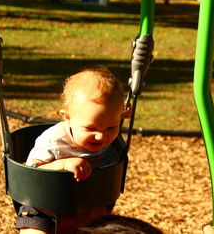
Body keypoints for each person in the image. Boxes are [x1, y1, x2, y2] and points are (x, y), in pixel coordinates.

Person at [16, 68, 131, 234]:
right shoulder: (53, 142)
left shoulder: (106, 125)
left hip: (88, 204)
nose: (100, 136)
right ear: (67, 117)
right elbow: (31, 174)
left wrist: (119, 117)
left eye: (111, 127)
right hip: (45, 208)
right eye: (90, 128)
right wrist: (62, 164)